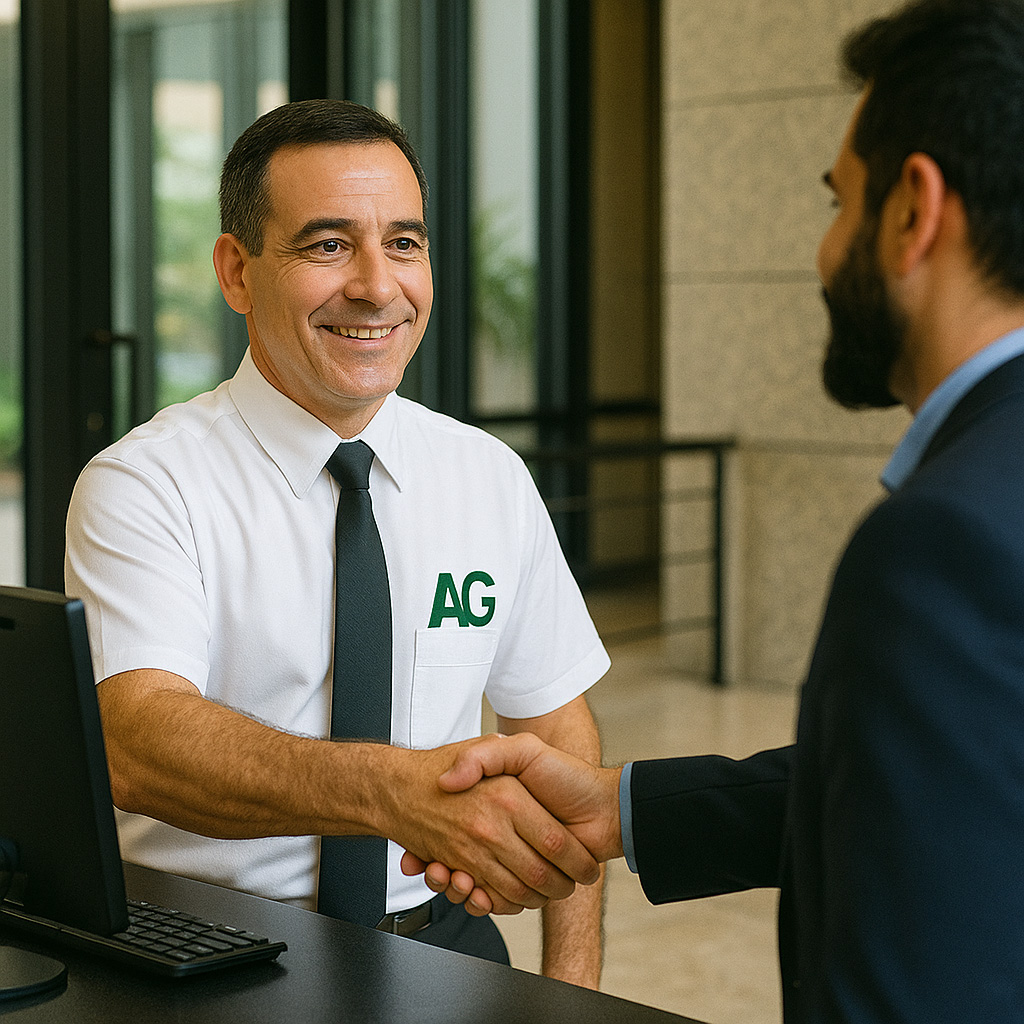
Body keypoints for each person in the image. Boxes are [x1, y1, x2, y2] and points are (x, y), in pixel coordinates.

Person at [405, 0, 1024, 1018]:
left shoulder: (940, 540)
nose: (824, 254)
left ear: (912, 211)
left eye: (839, 204)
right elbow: (933, 799)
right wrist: (618, 808)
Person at [64, 98, 608, 986]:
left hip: (447, 946)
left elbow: (553, 727)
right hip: (214, 954)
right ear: (236, 273)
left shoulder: (489, 476)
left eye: (403, 242)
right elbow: (137, 741)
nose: (377, 285)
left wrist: (575, 983)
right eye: (327, 244)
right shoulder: (144, 483)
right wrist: (393, 792)